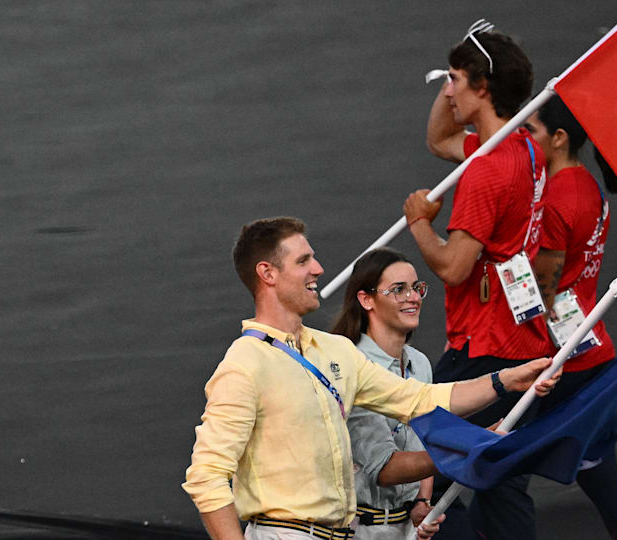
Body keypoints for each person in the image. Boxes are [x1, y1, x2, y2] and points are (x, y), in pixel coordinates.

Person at [182, 217, 558, 540]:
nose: (319, 269)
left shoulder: (335, 350)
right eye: (304, 261)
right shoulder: (245, 363)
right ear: (267, 273)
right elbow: (206, 477)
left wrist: (505, 380)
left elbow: (419, 400)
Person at [403, 21, 552, 540]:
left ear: (482, 87)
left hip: (487, 346)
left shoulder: (486, 169)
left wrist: (418, 221)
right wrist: (465, 66)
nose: (446, 91)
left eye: (453, 80)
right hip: (514, 332)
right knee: (479, 471)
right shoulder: (525, 149)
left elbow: (452, 266)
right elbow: (439, 137)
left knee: (457, 466)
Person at [526, 95, 617, 539]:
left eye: (533, 131)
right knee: (597, 471)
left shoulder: (558, 199)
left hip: (561, 363)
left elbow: (543, 291)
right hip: (589, 349)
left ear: (558, 139)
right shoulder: (587, 187)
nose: (525, 138)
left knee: (499, 470)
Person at [329, 248, 437, 540]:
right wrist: (466, 449)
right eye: (398, 290)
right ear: (366, 299)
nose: (413, 297)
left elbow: (424, 438)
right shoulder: (349, 365)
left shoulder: (420, 364)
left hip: (405, 529)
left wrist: (422, 500)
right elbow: (384, 469)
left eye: (416, 288)